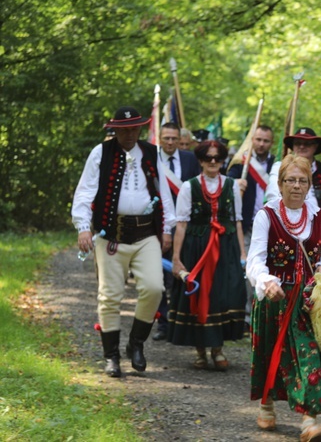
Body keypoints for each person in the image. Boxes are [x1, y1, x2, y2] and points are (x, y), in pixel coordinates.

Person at [72, 107, 176, 378]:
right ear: (115, 129)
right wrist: (83, 227)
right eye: (124, 128)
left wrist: (166, 229)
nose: (130, 133)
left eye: (134, 128)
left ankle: (135, 344)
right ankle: (111, 357)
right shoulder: (100, 153)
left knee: (154, 288)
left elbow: (163, 192)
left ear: (140, 128)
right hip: (110, 236)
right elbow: (84, 192)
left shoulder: (151, 153)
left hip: (145, 235)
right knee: (109, 296)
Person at [246, 154, 321, 442]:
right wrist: (266, 281)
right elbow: (255, 260)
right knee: (269, 352)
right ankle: (267, 402)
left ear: (310, 184)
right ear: (280, 183)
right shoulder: (267, 215)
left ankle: (309, 421)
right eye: (290, 180)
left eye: (302, 181)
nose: (296, 186)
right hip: (275, 298)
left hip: (308, 301)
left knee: (311, 354)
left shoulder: (320, 217)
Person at [168, 140, 247, 370]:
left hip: (225, 247)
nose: (213, 162)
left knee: (224, 295)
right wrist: (176, 257)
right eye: (208, 158)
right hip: (197, 247)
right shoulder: (188, 186)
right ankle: (201, 351)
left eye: (218, 158)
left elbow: (237, 221)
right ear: (201, 161)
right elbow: (181, 224)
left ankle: (218, 349)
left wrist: (242, 253)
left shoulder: (232, 186)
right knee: (198, 295)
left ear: (223, 161)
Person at [153, 122, 201, 341]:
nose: (170, 142)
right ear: (160, 138)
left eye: (174, 138)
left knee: (183, 273)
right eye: (166, 138)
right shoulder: (151, 158)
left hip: (186, 226)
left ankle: (182, 321)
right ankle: (163, 322)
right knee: (160, 276)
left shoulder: (190, 159)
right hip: (159, 225)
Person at [227, 125, 275, 331]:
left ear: (271, 143)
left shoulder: (277, 164)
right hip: (247, 225)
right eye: (258, 140)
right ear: (252, 140)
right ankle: (246, 314)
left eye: (266, 140)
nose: (261, 144)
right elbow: (224, 186)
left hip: (272, 226)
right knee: (248, 269)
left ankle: (267, 312)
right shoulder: (240, 163)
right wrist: (235, 185)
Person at [266, 128, 321, 234]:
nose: (302, 146)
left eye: (307, 143)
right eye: (298, 143)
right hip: (287, 230)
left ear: (315, 146)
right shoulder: (279, 167)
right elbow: (273, 197)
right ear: (293, 146)